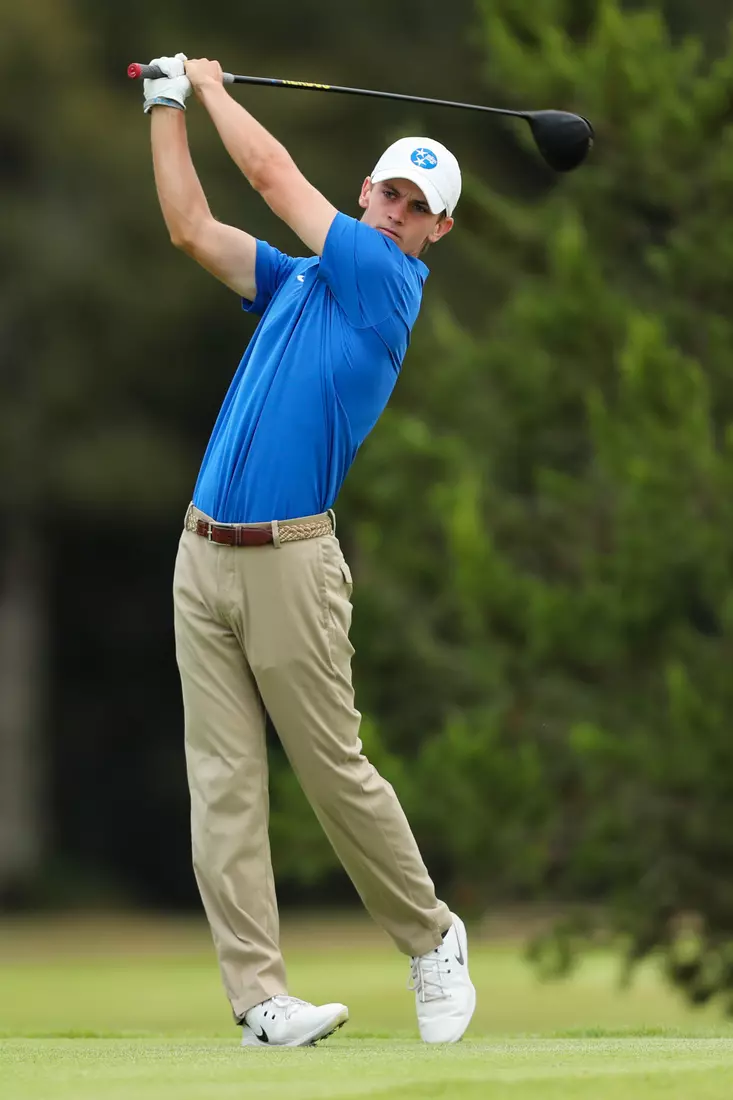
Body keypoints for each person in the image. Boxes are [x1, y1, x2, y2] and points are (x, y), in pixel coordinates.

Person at [142, 52, 476, 1048]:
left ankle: (430, 938)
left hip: (291, 562)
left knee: (331, 770)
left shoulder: (384, 285)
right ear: (369, 185)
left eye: (415, 205)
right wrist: (164, 108)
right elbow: (191, 229)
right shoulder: (297, 285)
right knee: (225, 785)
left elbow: (275, 181)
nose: (394, 210)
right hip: (201, 556)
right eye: (388, 190)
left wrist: (209, 88)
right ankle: (260, 999)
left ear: (433, 232)